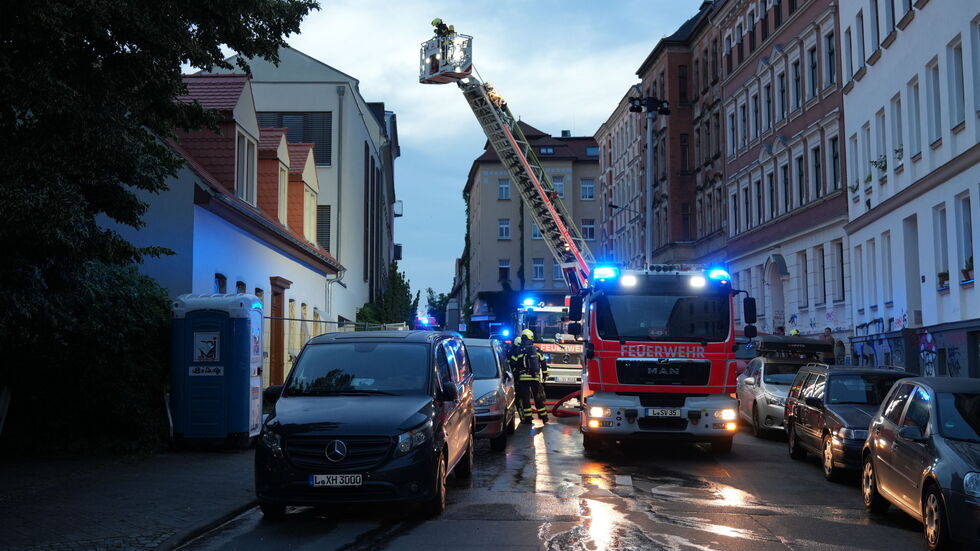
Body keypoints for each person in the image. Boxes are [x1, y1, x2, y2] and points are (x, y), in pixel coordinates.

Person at [509, 329, 549, 424]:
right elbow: (543, 363)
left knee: (525, 398)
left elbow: (512, 363)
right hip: (535, 378)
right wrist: (545, 374)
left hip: (523, 378)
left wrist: (515, 373)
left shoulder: (518, 350)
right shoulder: (537, 349)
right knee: (538, 397)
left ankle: (528, 418)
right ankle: (544, 417)